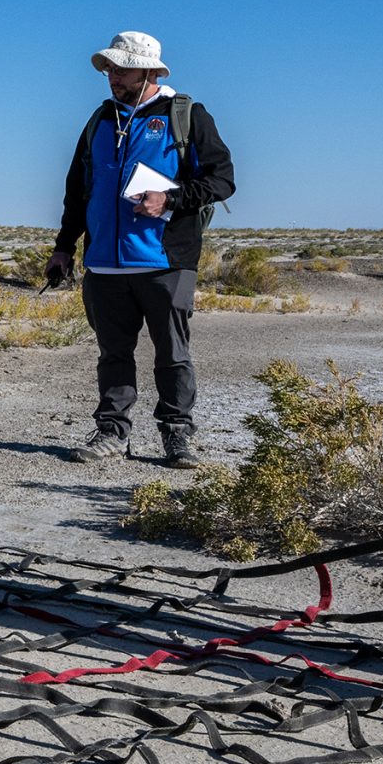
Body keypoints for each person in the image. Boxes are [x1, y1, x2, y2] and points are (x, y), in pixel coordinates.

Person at [44, 32, 236, 467]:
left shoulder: (186, 115)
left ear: (148, 71)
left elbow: (222, 179)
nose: (111, 76)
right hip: (104, 266)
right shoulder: (99, 120)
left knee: (172, 353)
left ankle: (177, 435)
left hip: (165, 261)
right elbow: (77, 192)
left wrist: (168, 199)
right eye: (109, 69)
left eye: (120, 69)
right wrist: (63, 248)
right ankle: (112, 433)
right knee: (113, 354)